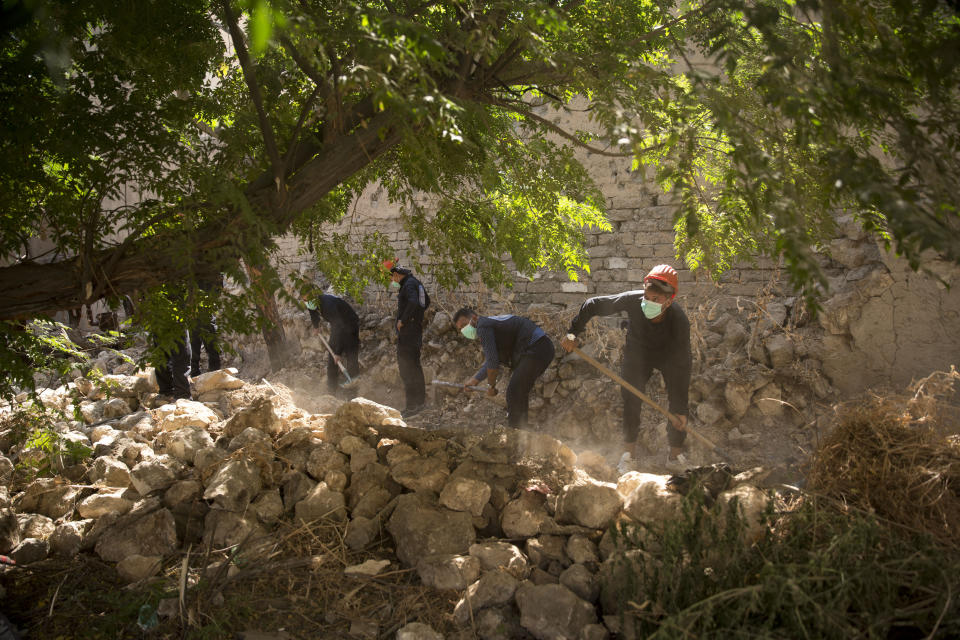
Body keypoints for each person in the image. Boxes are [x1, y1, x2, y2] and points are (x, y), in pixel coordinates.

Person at [560, 264, 692, 471]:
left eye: (656, 300)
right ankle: (629, 456)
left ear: (669, 300)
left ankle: (675, 457)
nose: (648, 302)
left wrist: (681, 409)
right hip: (638, 353)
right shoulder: (633, 300)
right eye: (647, 297)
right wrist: (571, 334)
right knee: (631, 399)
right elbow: (592, 304)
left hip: (670, 357)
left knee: (677, 410)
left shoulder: (679, 321)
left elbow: (683, 365)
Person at [453, 308, 556, 429]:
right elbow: (494, 359)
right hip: (541, 348)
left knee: (514, 391)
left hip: (536, 347)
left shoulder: (483, 326)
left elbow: (492, 362)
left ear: (475, 318)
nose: (464, 330)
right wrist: (475, 379)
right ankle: (522, 433)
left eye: (465, 325)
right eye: (461, 329)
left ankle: (516, 434)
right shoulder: (489, 325)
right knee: (518, 391)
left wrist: (491, 386)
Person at [386, 261, 430, 417]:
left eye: (392, 279)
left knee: (407, 369)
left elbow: (413, 302)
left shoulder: (409, 285)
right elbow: (426, 302)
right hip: (415, 330)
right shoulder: (416, 283)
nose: (392, 282)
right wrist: (416, 317)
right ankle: (418, 404)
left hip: (408, 332)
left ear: (397, 275)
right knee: (415, 368)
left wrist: (403, 320)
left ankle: (412, 407)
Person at [304, 290, 361, 393]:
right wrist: (316, 326)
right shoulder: (313, 302)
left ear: (313, 296)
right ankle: (331, 390)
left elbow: (339, 326)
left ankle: (353, 391)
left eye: (306, 299)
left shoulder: (328, 305)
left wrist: (338, 352)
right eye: (303, 300)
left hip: (350, 325)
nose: (305, 302)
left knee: (351, 355)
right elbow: (312, 312)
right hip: (338, 325)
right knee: (332, 358)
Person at [190, 272, 223, 377]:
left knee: (211, 343)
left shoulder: (209, 267)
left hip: (205, 310)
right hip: (192, 312)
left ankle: (214, 373)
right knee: (193, 344)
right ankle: (195, 375)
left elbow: (218, 285)